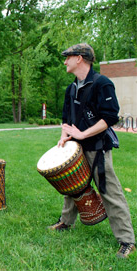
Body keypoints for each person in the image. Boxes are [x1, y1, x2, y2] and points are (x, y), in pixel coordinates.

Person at [48, 43, 135, 258]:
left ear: (80, 58)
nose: (65, 61)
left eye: (68, 57)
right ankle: (66, 222)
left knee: (109, 191)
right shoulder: (71, 88)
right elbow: (66, 120)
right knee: (72, 185)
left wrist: (83, 134)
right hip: (76, 147)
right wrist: (64, 137)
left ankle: (127, 241)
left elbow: (111, 117)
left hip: (97, 147)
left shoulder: (102, 84)